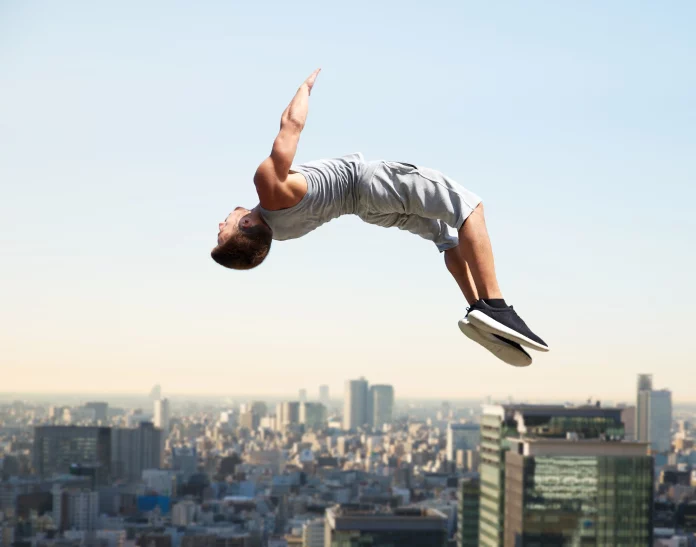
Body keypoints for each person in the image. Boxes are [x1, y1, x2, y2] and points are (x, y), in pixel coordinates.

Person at [212, 69, 549, 367]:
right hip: (371, 185)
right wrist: (305, 87)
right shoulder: (267, 187)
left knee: (446, 236)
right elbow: (292, 126)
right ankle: (496, 305)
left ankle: (476, 309)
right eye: (222, 232)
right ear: (245, 225)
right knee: (469, 208)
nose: (219, 224)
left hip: (368, 212)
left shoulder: (281, 233)